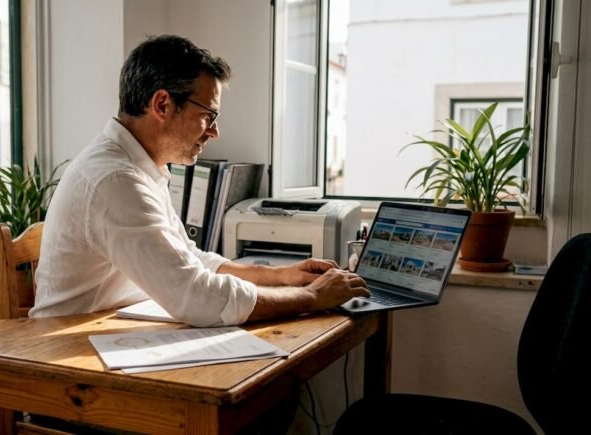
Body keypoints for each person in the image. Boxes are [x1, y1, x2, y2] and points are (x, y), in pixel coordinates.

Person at [30, 35, 369, 326]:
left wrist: (284, 276)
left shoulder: (141, 167)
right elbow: (194, 295)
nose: (215, 131)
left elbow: (191, 261)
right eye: (208, 115)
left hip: (106, 335)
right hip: (67, 358)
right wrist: (310, 296)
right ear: (162, 104)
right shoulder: (116, 179)